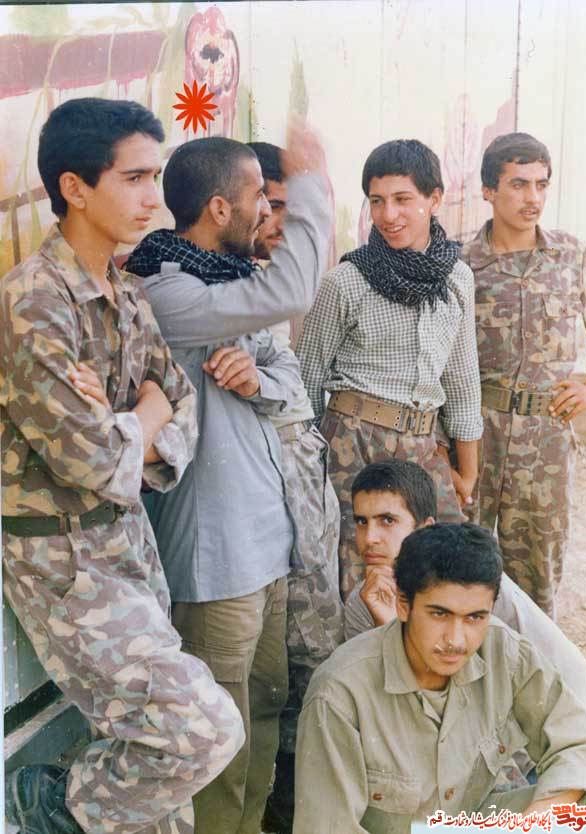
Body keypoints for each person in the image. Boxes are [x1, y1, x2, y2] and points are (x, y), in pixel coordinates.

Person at [1, 97, 244, 834]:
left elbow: (184, 409)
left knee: (165, 797)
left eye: (155, 178)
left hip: (127, 544)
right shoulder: (34, 303)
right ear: (75, 188)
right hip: (64, 560)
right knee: (201, 730)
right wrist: (142, 416)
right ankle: (59, 805)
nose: (153, 199)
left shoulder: (126, 291)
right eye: (134, 179)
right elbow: (94, 461)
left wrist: (134, 424)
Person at [125, 125, 330, 834]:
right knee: (219, 730)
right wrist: (312, 185)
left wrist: (256, 379)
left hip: (267, 542)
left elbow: (288, 377)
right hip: (217, 558)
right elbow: (297, 285)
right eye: (258, 199)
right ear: (219, 208)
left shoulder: (230, 282)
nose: (266, 213)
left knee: (264, 703)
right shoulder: (168, 293)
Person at [294, 523, 586, 834]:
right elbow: (327, 828)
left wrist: (531, 826)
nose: (456, 639)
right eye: (439, 614)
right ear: (403, 604)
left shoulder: (503, 651)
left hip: (476, 822)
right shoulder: (339, 692)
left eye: (475, 617)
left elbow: (576, 745)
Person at [297, 139, 483, 599]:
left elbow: (462, 378)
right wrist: (308, 471)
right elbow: (306, 381)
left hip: (425, 446)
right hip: (353, 444)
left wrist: (466, 472)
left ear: (434, 199)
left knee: (442, 572)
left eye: (402, 199)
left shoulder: (458, 279)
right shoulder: (346, 282)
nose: (388, 215)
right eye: (377, 201)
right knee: (359, 571)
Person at [460, 132, 586, 617]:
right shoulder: (463, 267)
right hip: (475, 434)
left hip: (545, 443)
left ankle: (531, 661)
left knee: (537, 579)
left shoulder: (571, 258)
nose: (533, 198)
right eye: (519, 184)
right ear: (488, 189)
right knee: (461, 565)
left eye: (541, 185)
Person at [247, 141, 344, 834]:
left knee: (313, 650)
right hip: (265, 503)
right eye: (268, 206)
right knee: (276, 664)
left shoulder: (262, 288)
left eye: (285, 205)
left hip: (305, 490)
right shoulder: (223, 295)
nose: (277, 222)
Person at [343, 460, 586, 712]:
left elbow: (564, 668)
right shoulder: (365, 601)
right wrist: (388, 626)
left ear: (424, 528)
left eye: (387, 520)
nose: (370, 538)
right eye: (362, 522)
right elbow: (378, 703)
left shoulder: (473, 581)